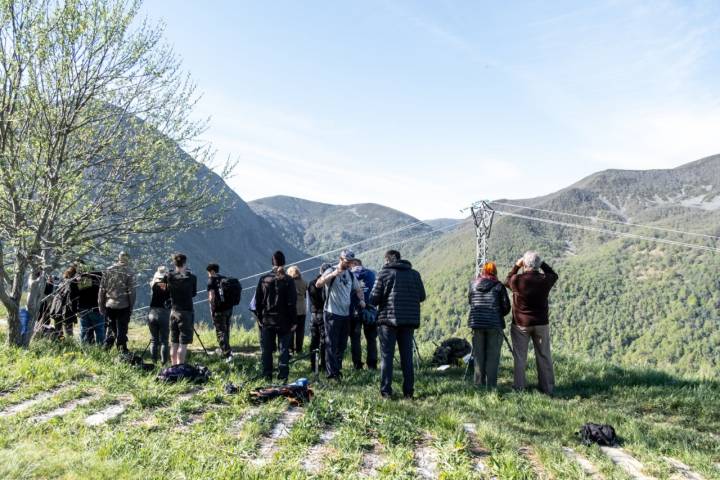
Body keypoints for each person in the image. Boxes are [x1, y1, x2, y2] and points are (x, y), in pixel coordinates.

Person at [371, 250, 425, 399]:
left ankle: (386, 392)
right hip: (408, 321)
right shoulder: (415, 274)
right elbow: (422, 296)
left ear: (388, 260)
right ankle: (408, 392)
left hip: (388, 321)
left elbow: (374, 299)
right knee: (407, 357)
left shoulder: (384, 274)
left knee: (387, 356)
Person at [504, 251, 558, 395]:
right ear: (538, 265)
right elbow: (554, 274)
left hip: (521, 324)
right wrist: (542, 264)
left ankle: (519, 387)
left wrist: (516, 265)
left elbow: (506, 280)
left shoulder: (517, 280)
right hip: (541, 323)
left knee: (520, 357)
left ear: (524, 265)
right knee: (544, 355)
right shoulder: (545, 279)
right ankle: (547, 388)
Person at [315, 249, 366, 380]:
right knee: (331, 343)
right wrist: (333, 274)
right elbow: (318, 284)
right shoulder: (330, 270)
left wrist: (361, 299)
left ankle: (337, 368)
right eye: (347, 261)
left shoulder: (350, 274)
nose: (349, 264)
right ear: (341, 259)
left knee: (342, 344)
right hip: (331, 313)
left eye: (351, 262)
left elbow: (358, 289)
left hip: (346, 314)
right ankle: (332, 374)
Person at [255, 251, 297, 382]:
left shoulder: (264, 279)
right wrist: (294, 321)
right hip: (284, 321)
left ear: (272, 262)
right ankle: (283, 376)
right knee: (284, 349)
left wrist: (260, 319)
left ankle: (267, 375)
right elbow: (292, 302)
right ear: (284, 263)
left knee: (267, 350)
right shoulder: (288, 280)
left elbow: (258, 301)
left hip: (268, 319)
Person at [468, 261, 510, 388]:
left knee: (478, 355)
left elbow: (471, 302)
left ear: (483, 272)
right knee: (493, 356)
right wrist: (497, 314)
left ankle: (478, 384)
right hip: (494, 324)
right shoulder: (498, 286)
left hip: (477, 323)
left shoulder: (473, 284)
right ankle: (491, 386)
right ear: (495, 272)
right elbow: (506, 307)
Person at [99, 251, 136, 353]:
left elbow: (102, 289)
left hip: (109, 304)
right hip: (123, 305)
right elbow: (132, 292)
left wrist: (100, 305)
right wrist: (131, 306)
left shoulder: (108, 270)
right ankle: (122, 350)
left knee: (111, 327)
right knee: (122, 329)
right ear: (128, 259)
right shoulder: (129, 272)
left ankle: (106, 349)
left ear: (118, 258)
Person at [165, 253, 197, 366]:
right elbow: (193, 293)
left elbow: (166, 290)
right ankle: (181, 367)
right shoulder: (192, 278)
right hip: (186, 312)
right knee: (183, 344)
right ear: (185, 263)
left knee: (174, 343)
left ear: (174, 263)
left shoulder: (169, 277)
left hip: (173, 312)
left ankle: (173, 367)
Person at [349, 258, 377, 369]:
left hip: (355, 310)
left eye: (351, 265)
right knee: (371, 338)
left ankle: (357, 364)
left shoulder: (350, 275)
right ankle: (372, 364)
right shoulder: (371, 274)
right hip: (370, 309)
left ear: (355, 264)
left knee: (355, 338)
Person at [207, 263, 233, 362]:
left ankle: (227, 354)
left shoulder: (211, 281)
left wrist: (211, 309)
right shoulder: (225, 278)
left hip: (218, 310)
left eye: (208, 273)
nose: (208, 275)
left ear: (212, 271)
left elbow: (211, 297)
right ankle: (226, 349)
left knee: (220, 331)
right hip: (228, 309)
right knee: (226, 330)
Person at [307, 263, 331, 373]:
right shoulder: (327, 284)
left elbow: (312, 300)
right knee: (324, 341)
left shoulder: (311, 283)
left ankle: (313, 366)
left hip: (313, 315)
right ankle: (324, 365)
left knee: (314, 340)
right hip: (324, 314)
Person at [49, 266, 79, 340]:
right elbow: (72, 298)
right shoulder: (73, 283)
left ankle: (59, 343)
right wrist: (75, 311)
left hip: (57, 309)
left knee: (58, 330)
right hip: (66, 310)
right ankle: (67, 344)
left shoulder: (62, 282)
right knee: (68, 331)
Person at [148, 266, 171, 364]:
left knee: (154, 340)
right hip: (164, 313)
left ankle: (153, 361)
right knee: (164, 341)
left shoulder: (153, 284)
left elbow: (157, 284)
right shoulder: (170, 286)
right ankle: (163, 363)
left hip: (152, 313)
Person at [77, 269, 105, 345]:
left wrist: (78, 309)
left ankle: (83, 347)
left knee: (84, 329)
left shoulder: (83, 281)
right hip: (96, 309)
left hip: (83, 308)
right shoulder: (99, 282)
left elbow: (78, 295)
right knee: (99, 330)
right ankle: (100, 348)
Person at [287, 266, 307, 355]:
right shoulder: (304, 282)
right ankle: (299, 349)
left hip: (292, 310)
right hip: (302, 310)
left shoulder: (289, 283)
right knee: (300, 331)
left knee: (291, 330)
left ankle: (290, 349)